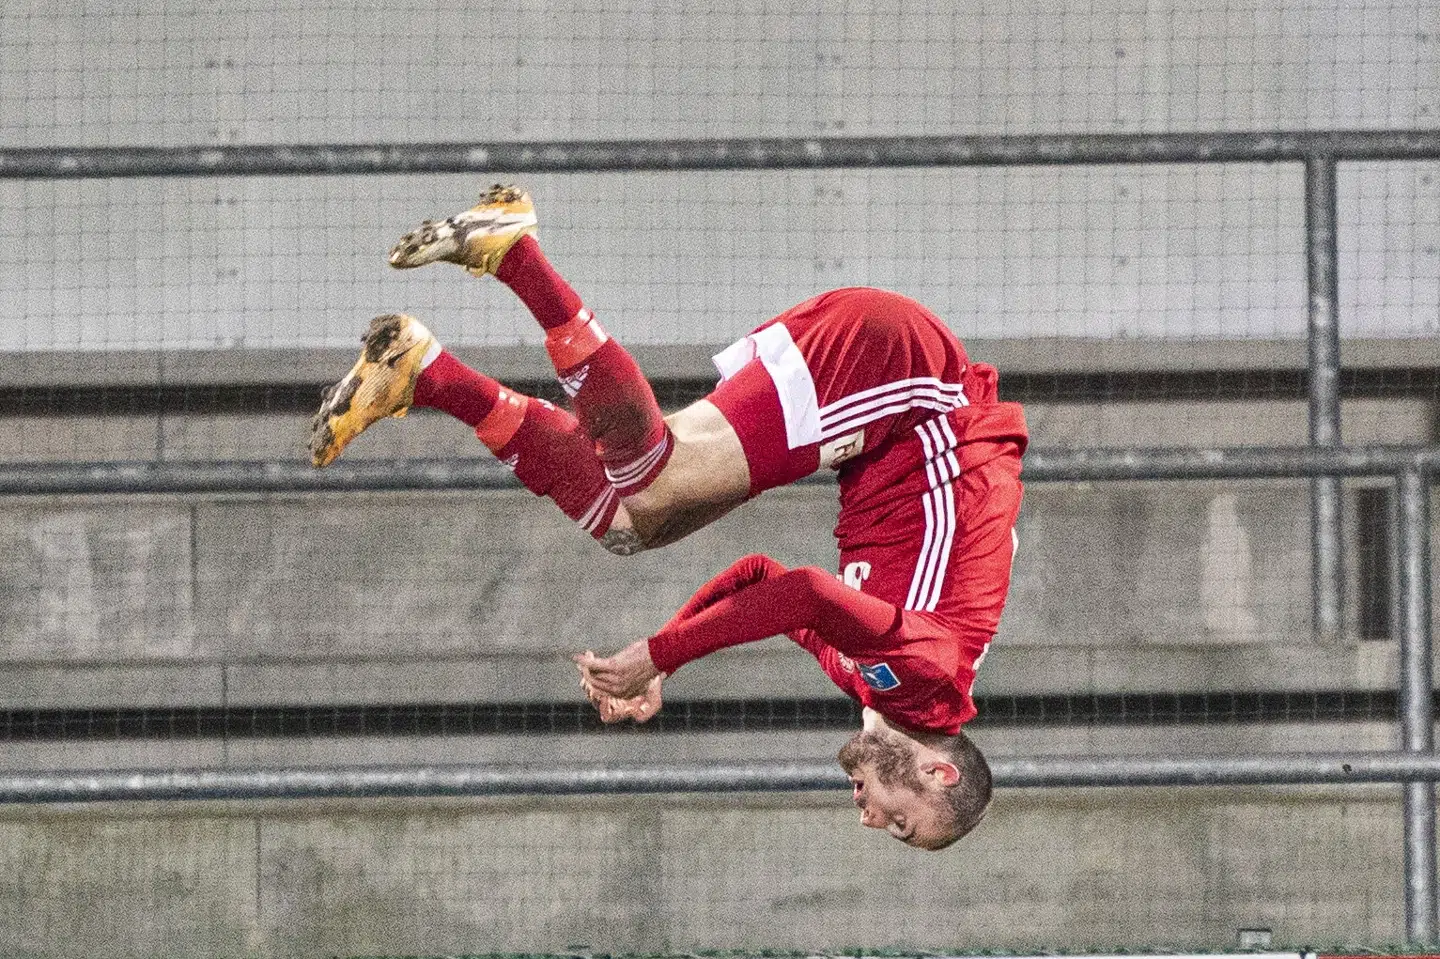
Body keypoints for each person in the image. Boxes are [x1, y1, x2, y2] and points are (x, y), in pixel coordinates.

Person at [310, 185, 1028, 850]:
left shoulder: (869, 676)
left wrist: (664, 665)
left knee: (628, 522)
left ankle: (424, 373)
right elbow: (803, 591)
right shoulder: (928, 673)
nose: (870, 816)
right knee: (655, 482)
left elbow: (761, 577)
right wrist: (661, 653)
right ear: (939, 772)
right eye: (900, 819)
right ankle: (515, 252)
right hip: (908, 385)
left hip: (885, 404)